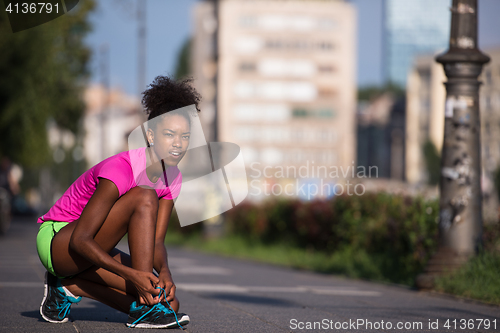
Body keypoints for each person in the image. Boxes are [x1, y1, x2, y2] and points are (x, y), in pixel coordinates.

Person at [36, 76, 201, 329]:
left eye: (185, 136)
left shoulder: (172, 177)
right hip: (59, 241)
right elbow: (81, 239)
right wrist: (132, 275)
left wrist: (165, 271)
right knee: (144, 196)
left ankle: (67, 286)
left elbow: (156, 241)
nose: (178, 144)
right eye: (169, 134)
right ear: (150, 134)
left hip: (89, 246)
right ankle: (144, 309)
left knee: (170, 305)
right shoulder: (121, 170)